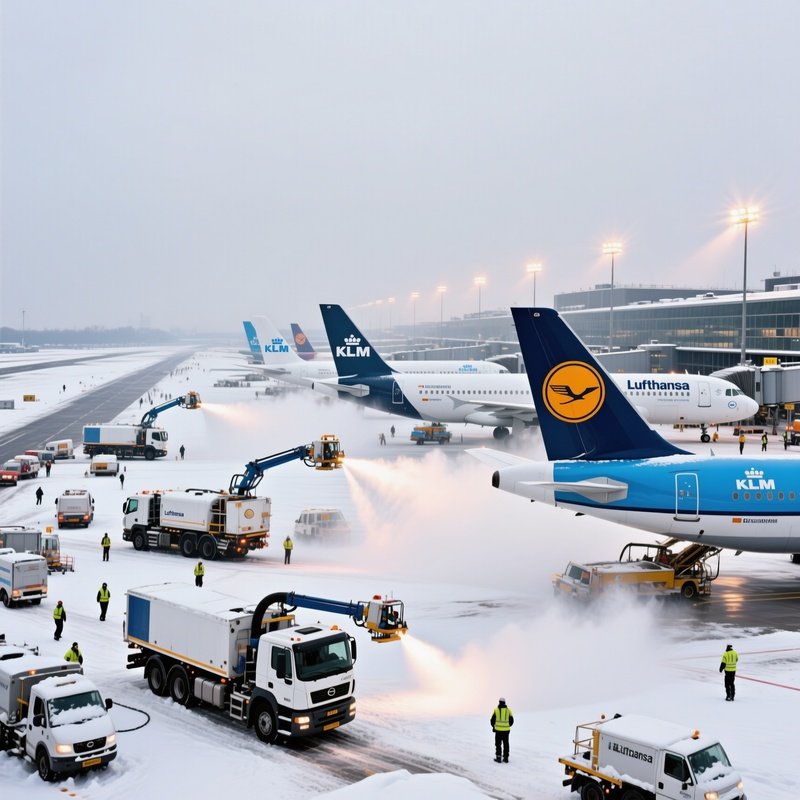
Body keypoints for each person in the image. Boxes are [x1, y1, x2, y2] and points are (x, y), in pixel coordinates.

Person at [490, 697, 514, 763]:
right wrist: (507, 725)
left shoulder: (496, 710)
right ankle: (506, 758)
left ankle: (498, 758)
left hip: (498, 731)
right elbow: (512, 720)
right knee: (506, 744)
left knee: (498, 744)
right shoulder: (508, 710)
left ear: (499, 702)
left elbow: (492, 720)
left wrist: (494, 726)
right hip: (506, 731)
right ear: (504, 702)